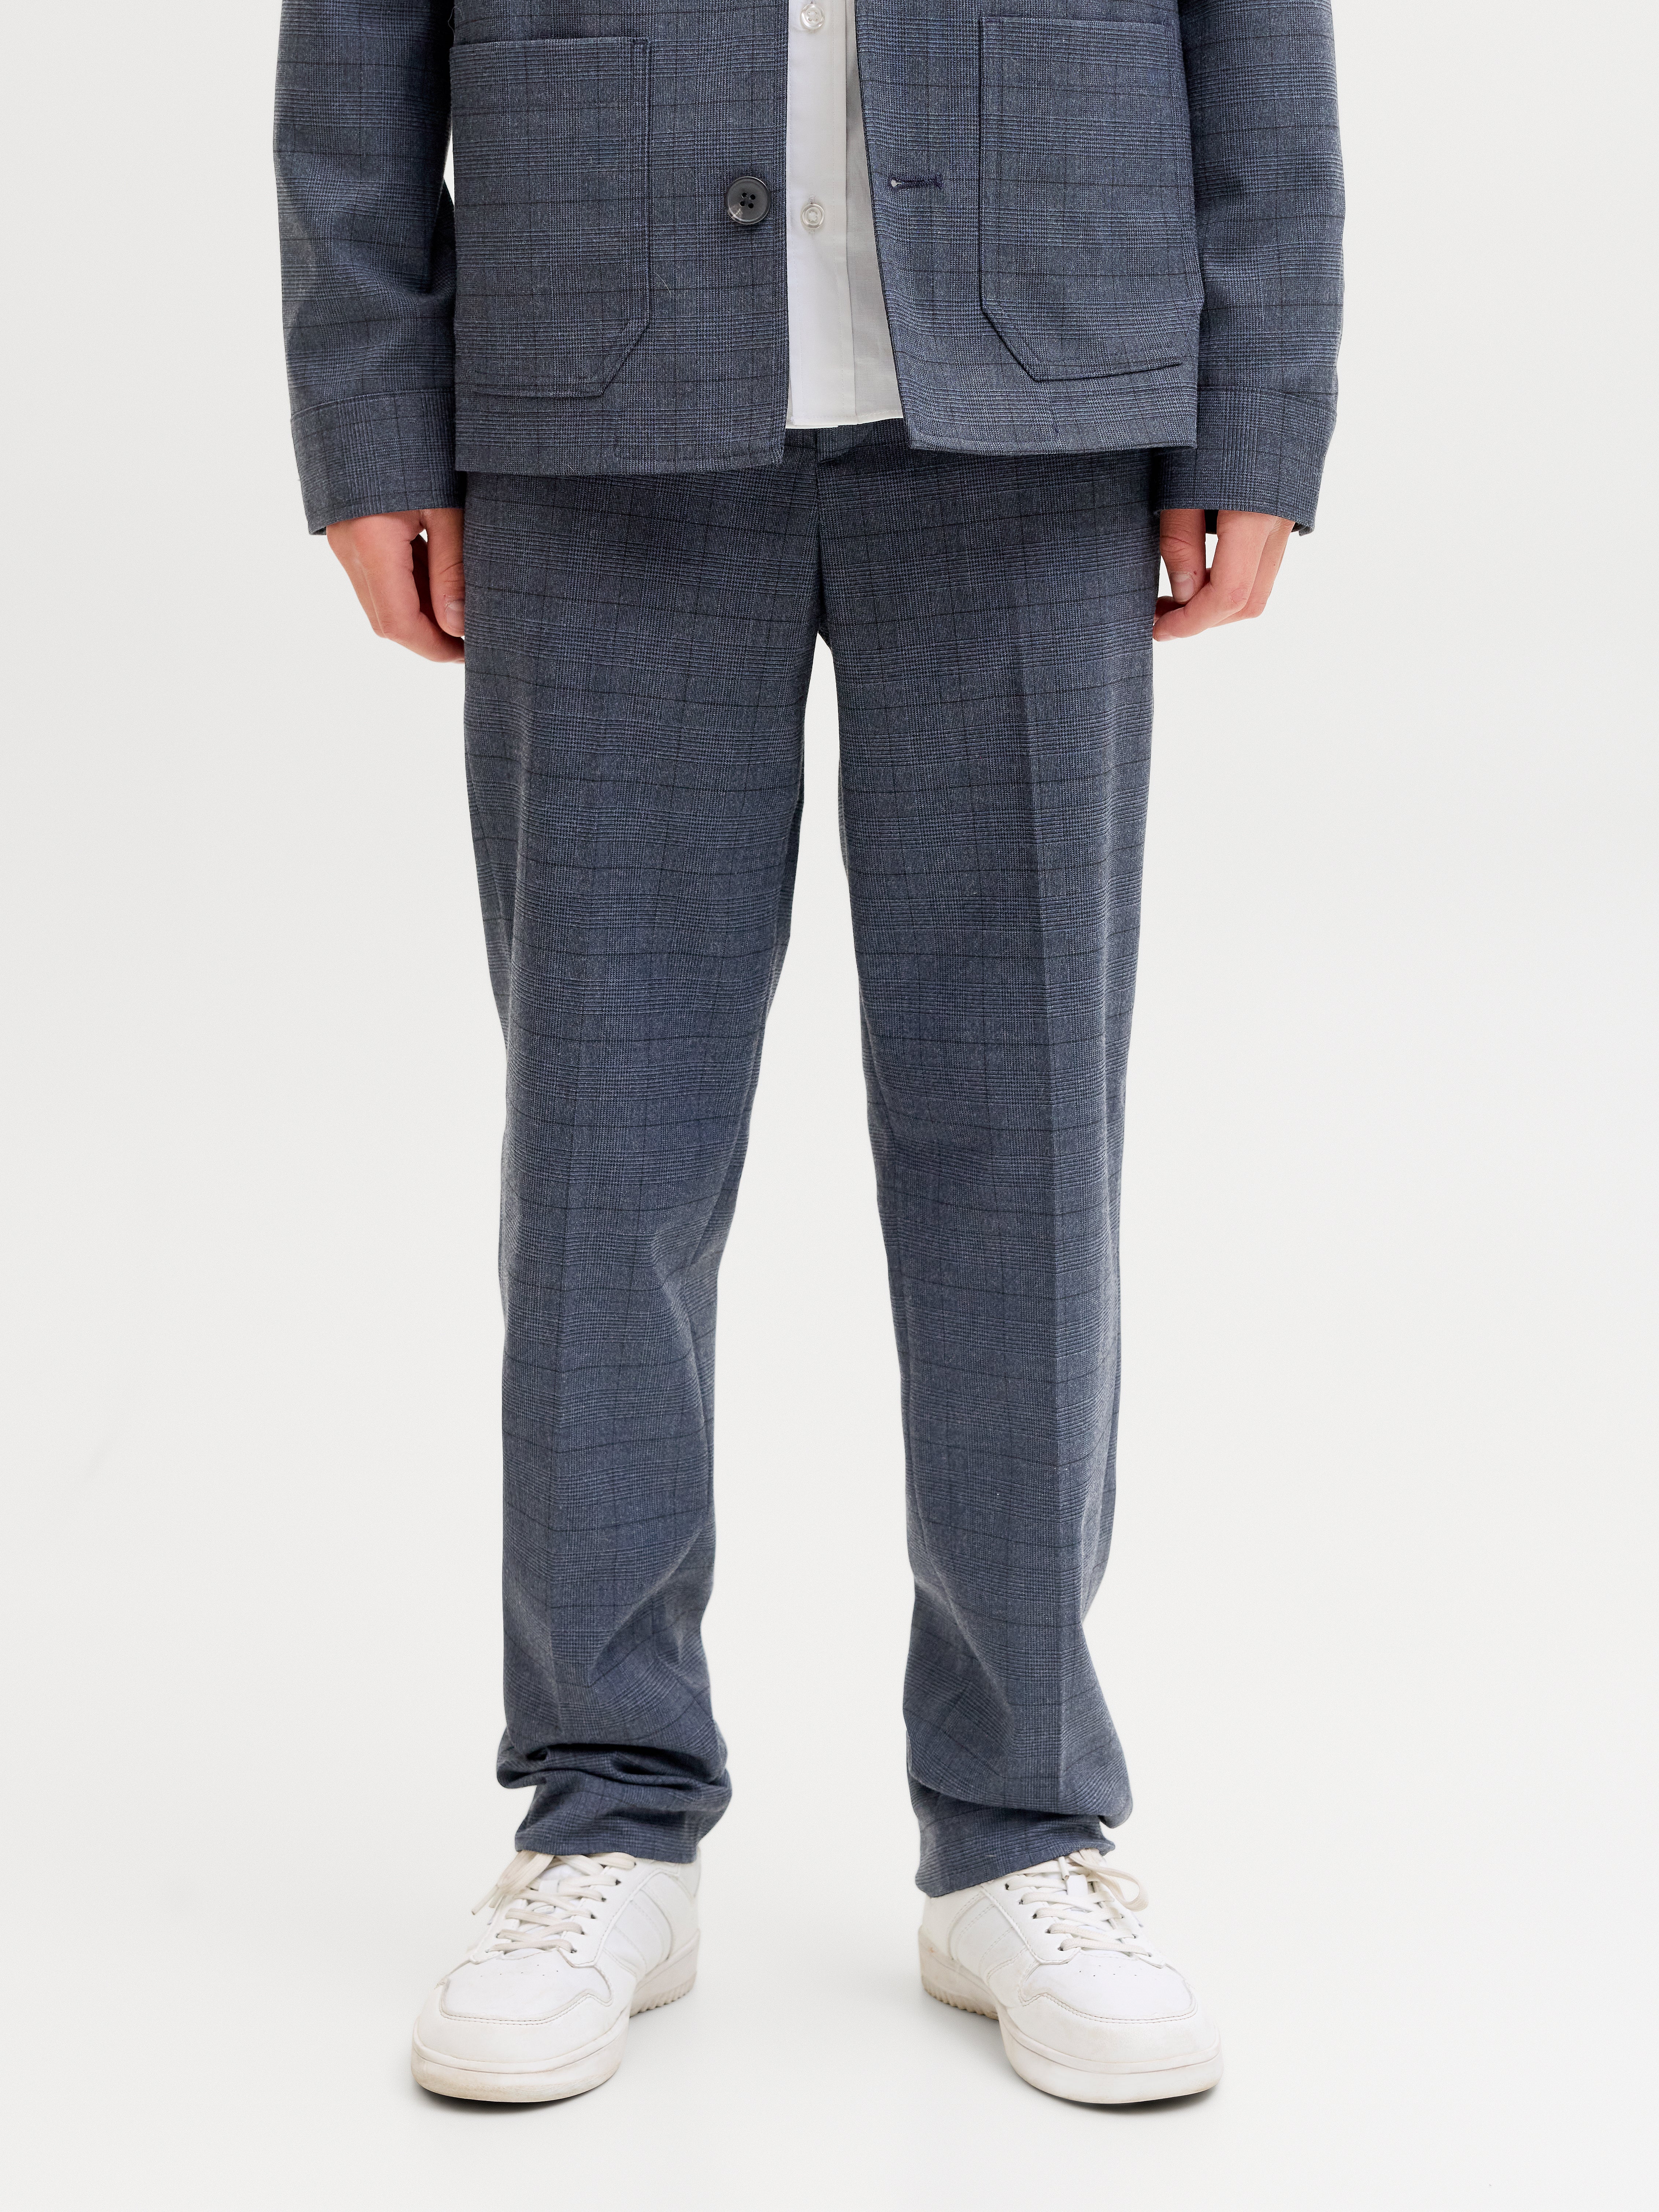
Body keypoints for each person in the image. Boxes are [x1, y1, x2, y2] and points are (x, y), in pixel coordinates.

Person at [275, 0, 1342, 2108]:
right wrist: (371, 418)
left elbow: (1256, 40)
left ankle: (1023, 1823)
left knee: (1025, 1147)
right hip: (598, 403)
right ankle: (604, 1807)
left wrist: (1262, 400)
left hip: (1035, 403)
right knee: (606, 1154)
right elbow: (352, 64)